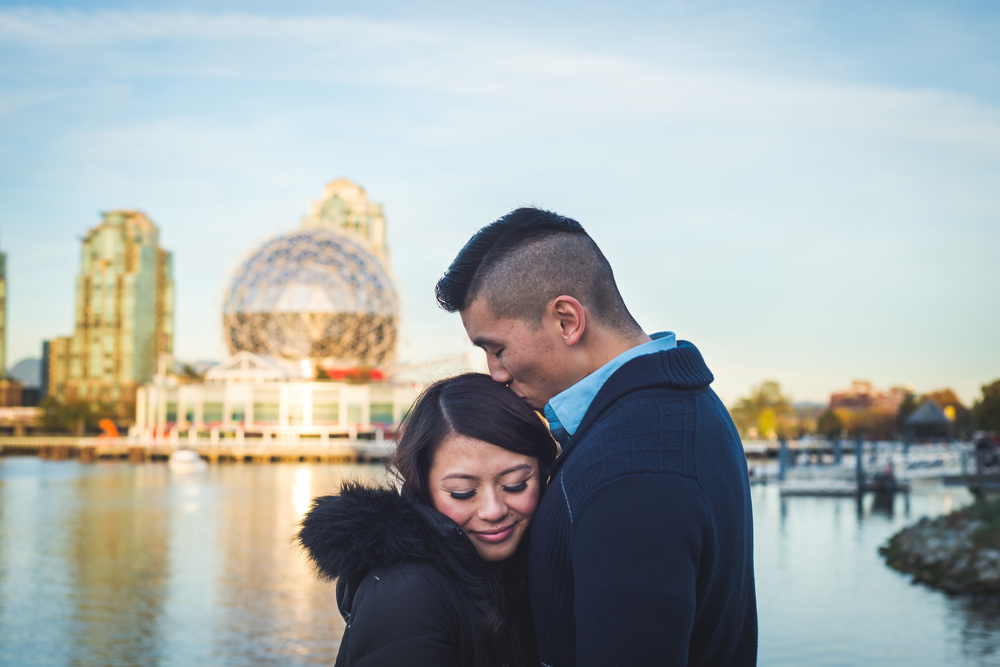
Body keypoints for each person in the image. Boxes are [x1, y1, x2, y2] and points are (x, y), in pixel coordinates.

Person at [435, 207, 758, 666]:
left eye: (497, 348)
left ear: (566, 320)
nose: (495, 374)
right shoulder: (690, 407)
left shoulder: (629, 471)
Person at [297, 372, 558, 667]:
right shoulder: (406, 596)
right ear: (422, 487)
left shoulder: (528, 565)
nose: (493, 510)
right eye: (463, 492)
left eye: (515, 484)